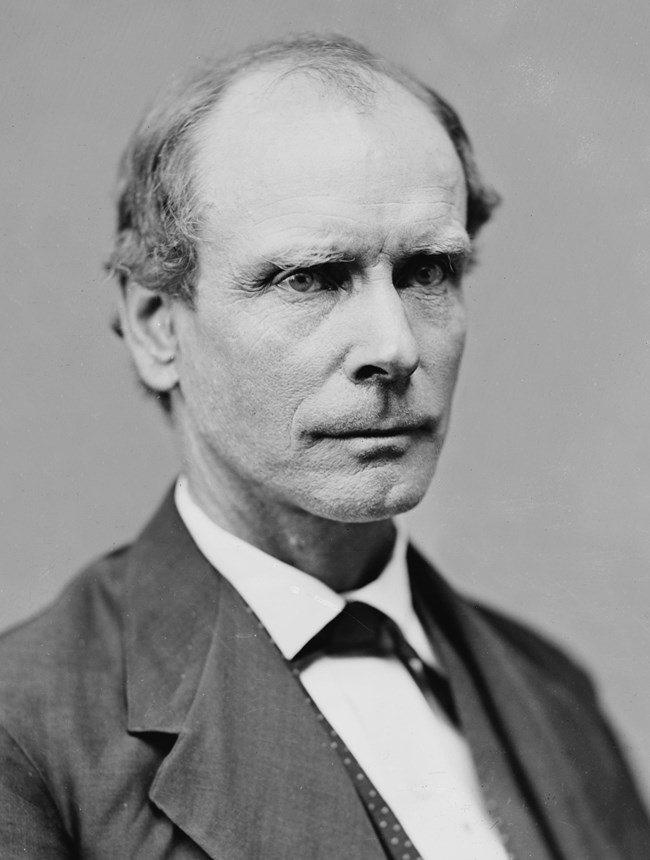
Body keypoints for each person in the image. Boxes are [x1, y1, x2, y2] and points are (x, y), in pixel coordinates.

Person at [0, 33, 647, 860]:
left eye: (428, 272)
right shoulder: (28, 740)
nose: (396, 345)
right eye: (311, 277)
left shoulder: (554, 697)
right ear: (155, 324)